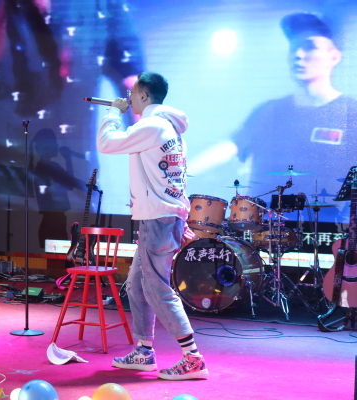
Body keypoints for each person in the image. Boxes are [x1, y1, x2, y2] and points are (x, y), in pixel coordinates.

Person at [96, 72, 208, 380]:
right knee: (136, 284)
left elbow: (106, 143)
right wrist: (180, 216)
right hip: (162, 218)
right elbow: (175, 178)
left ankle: (193, 358)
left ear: (144, 96)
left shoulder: (152, 126)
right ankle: (144, 351)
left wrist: (112, 112)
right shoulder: (169, 128)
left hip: (158, 220)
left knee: (156, 288)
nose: (129, 98)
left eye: (132, 92)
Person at [232, 12, 357, 220]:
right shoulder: (269, 110)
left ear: (334, 56)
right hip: (266, 227)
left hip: (331, 228)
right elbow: (230, 147)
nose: (298, 54)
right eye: (294, 48)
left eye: (309, 46)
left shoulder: (352, 113)